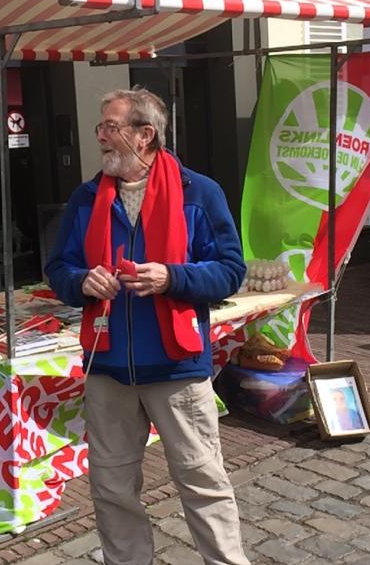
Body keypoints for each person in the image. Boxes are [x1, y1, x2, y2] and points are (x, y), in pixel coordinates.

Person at [45, 88, 249, 565]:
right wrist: (82, 281)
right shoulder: (86, 196)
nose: (100, 137)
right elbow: (59, 269)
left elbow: (230, 270)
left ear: (145, 134)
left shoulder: (200, 192)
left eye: (110, 126)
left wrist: (173, 277)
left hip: (177, 368)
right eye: (101, 127)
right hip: (108, 368)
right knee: (112, 488)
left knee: (203, 482)